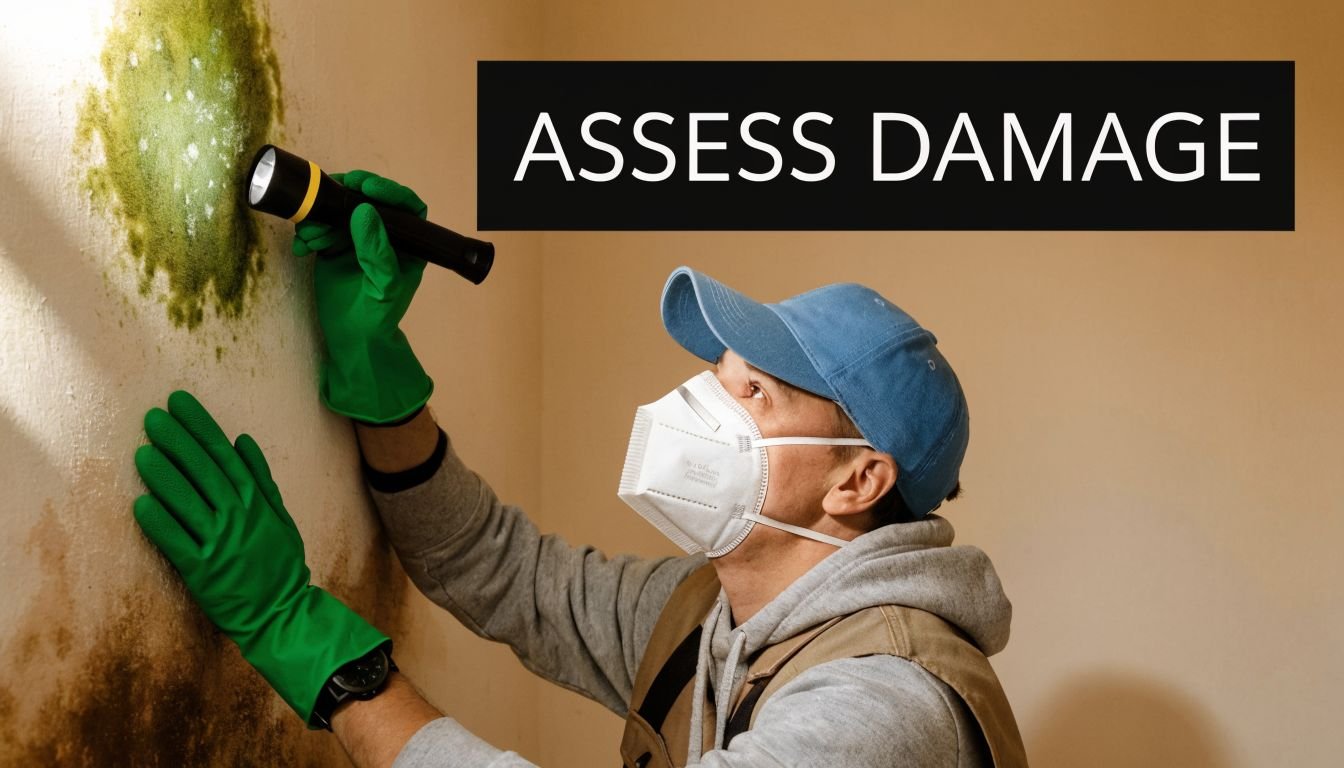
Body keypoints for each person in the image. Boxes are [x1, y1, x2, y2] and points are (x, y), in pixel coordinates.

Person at [131, 171, 1028, 767]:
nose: (703, 405)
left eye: (754, 394)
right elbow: (497, 569)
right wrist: (382, 388)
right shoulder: (703, 616)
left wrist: (311, 644)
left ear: (857, 483)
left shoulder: (885, 705)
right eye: (717, 376)